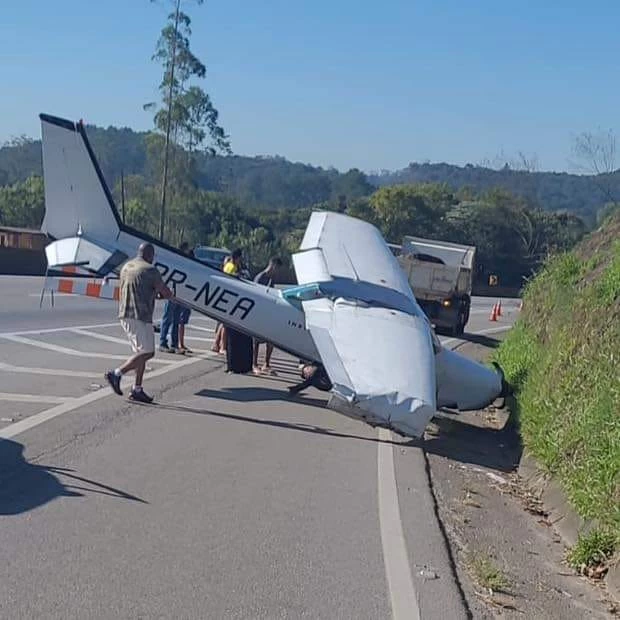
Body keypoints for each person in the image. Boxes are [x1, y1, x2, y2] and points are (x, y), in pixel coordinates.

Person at [105, 243, 174, 403]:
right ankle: (116, 374)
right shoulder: (150, 270)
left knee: (139, 353)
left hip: (125, 313)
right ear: (150, 255)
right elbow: (165, 292)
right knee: (148, 352)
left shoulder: (127, 267)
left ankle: (137, 389)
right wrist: (168, 294)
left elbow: (138, 288)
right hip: (140, 315)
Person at [252, 257, 283, 375]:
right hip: (258, 312)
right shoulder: (261, 277)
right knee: (256, 340)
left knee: (271, 339)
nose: (278, 272)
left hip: (268, 312)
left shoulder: (272, 278)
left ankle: (267, 364)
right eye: (278, 269)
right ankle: (254, 364)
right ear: (273, 266)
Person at [213, 248, 243, 354]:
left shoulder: (230, 265)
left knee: (222, 323)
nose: (241, 260)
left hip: (225, 295)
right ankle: (222, 346)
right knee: (226, 324)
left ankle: (217, 344)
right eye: (240, 258)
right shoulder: (231, 267)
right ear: (237, 257)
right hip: (228, 296)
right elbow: (230, 280)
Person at [177, 242, 194, 354]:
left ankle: (181, 343)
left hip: (188, 295)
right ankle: (179, 343)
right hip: (182, 294)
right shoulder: (180, 262)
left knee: (183, 320)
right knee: (180, 320)